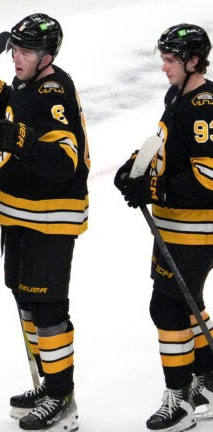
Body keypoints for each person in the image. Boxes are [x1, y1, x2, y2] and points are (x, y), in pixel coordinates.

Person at [0, 13, 86, 431]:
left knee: (48, 308)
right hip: (21, 211)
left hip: (50, 218)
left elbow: (64, 162)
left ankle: (61, 396)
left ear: (47, 56)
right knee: (27, 299)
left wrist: (16, 139)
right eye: (14, 48)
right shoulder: (28, 81)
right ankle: (50, 383)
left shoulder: (54, 92)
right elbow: (19, 106)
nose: (16, 56)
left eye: (26, 51)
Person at [114, 23, 213, 432]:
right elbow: (164, 142)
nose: (164, 67)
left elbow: (207, 176)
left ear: (193, 61)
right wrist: (135, 166)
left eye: (171, 60)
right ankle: (206, 381)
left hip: (199, 227)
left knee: (168, 306)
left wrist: (152, 186)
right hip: (177, 225)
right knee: (187, 302)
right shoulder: (178, 95)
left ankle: (179, 400)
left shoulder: (205, 105)